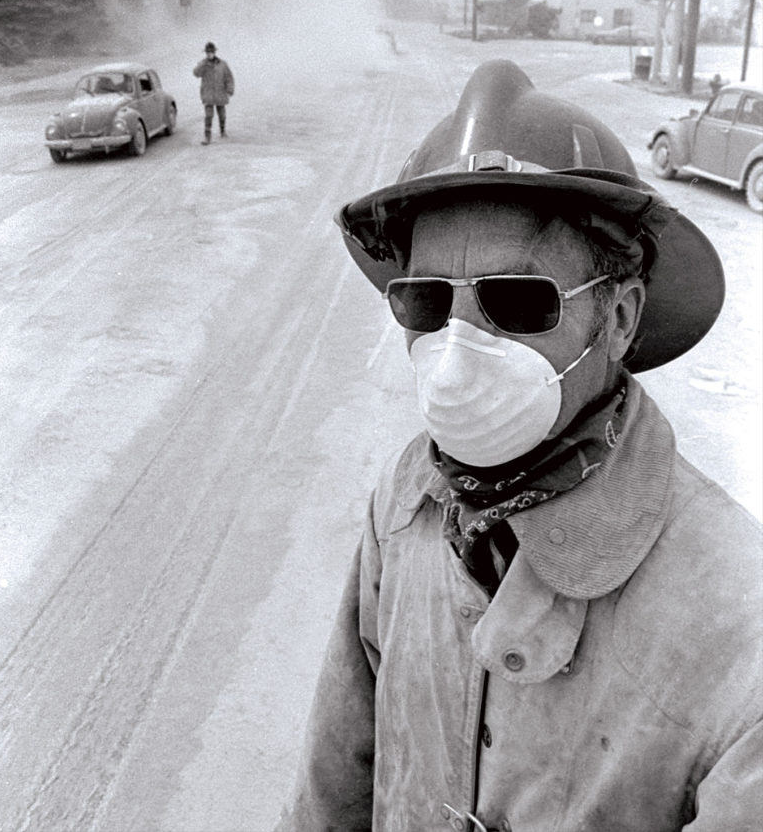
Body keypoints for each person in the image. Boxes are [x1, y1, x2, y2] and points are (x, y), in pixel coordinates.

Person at [277, 60, 762, 832]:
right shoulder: (404, 502)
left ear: (619, 317)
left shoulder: (739, 618)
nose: (456, 349)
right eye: (426, 301)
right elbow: (333, 788)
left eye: (515, 301)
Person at [193, 41, 234, 145]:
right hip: (208, 94)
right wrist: (202, 64)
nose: (209, 54)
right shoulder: (203, 64)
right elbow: (196, 73)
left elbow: (229, 77)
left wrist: (230, 90)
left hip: (220, 93)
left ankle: (222, 130)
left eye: (211, 52)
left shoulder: (222, 64)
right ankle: (207, 137)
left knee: (222, 115)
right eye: (207, 52)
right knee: (208, 116)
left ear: (214, 52)